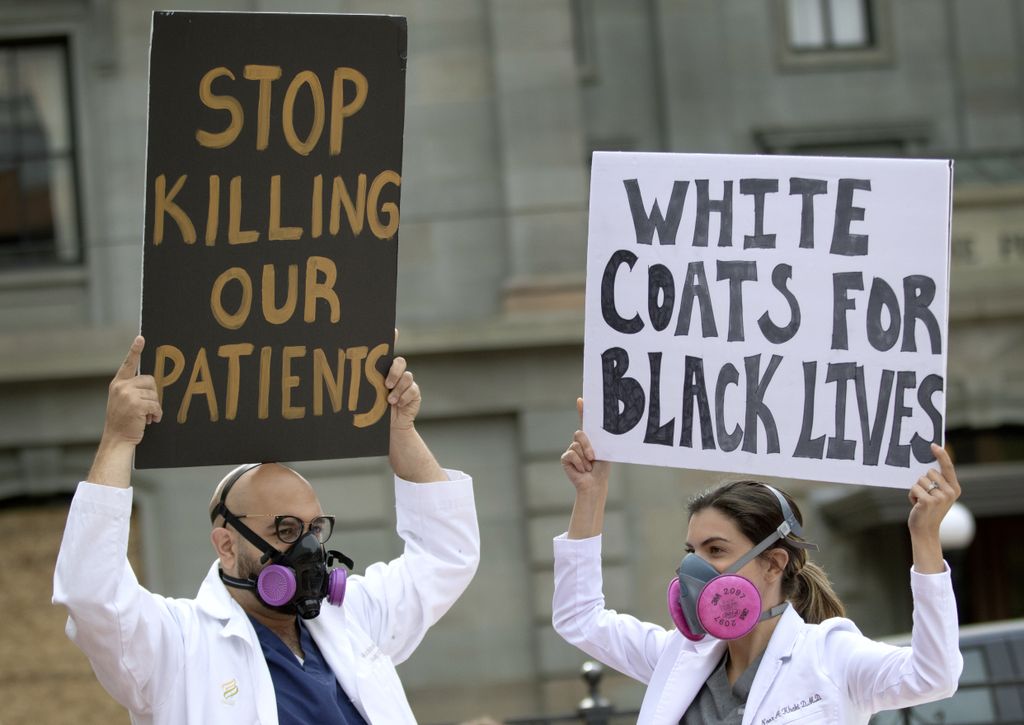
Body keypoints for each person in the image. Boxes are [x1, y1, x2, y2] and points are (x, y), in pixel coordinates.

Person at [53, 336, 480, 724]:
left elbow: (445, 556)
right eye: (286, 530)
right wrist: (118, 440)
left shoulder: (353, 616)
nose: (309, 549)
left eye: (315, 529)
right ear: (226, 544)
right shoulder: (176, 645)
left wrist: (399, 430)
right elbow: (93, 595)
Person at [553, 399, 963, 725]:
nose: (694, 569)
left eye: (716, 550)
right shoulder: (679, 655)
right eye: (692, 552)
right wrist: (591, 493)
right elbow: (579, 618)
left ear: (773, 563)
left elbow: (933, 676)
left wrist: (925, 536)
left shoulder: (830, 655)